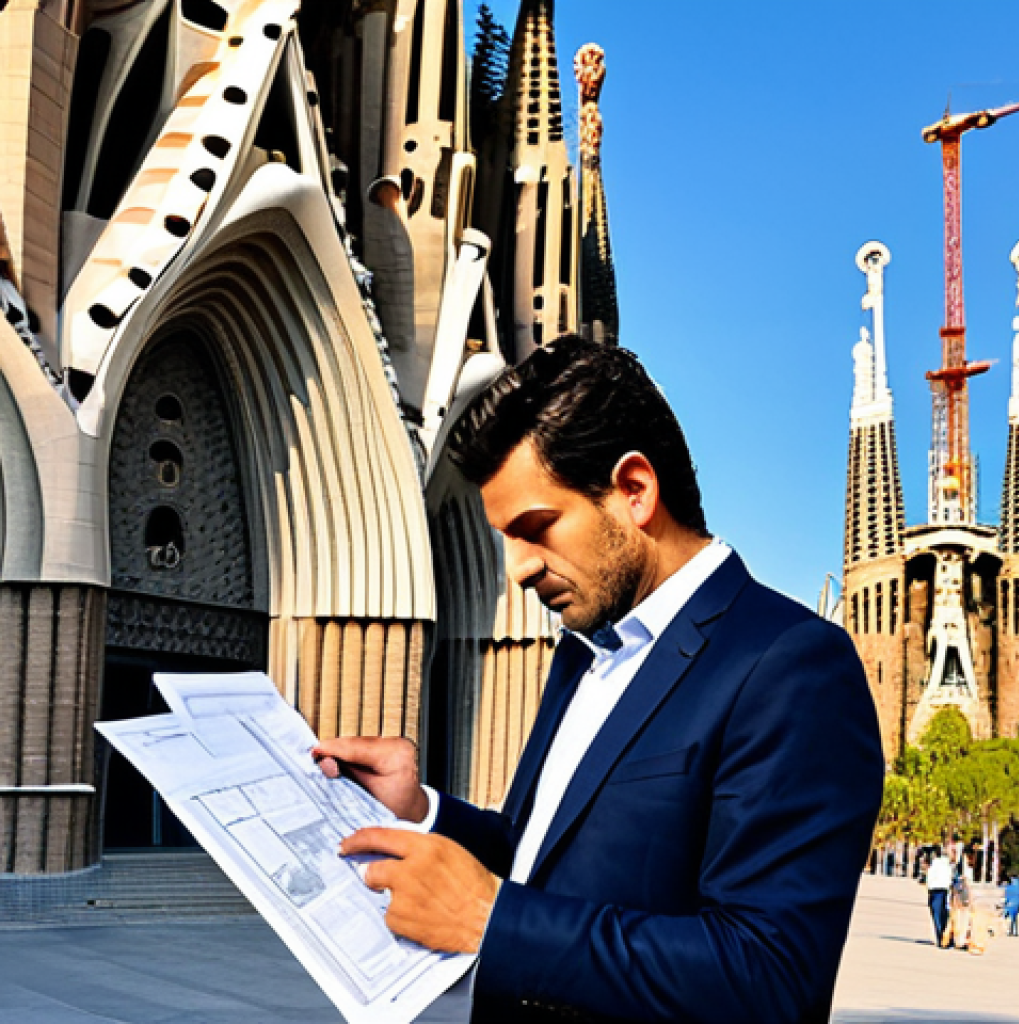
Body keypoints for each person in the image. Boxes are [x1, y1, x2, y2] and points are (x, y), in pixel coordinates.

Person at [313, 336, 885, 1023]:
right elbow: (538, 861)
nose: (519, 569)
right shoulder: (582, 654)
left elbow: (770, 977)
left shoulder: (790, 664)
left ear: (635, 491)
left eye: (537, 528)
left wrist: (494, 924)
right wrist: (423, 810)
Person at [926, 849, 952, 947]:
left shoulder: (934, 865)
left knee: (937, 915)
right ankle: (946, 937)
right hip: (945, 891)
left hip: (935, 890)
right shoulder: (947, 866)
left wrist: (928, 888)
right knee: (944, 915)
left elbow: (929, 878)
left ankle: (940, 937)